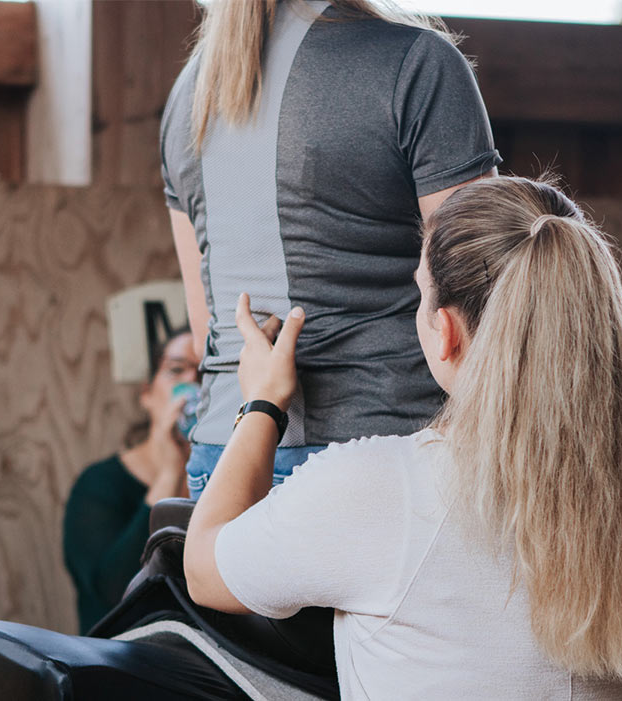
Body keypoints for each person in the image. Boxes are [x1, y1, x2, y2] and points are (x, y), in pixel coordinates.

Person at [185, 176, 622, 699]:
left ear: (444, 331)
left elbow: (202, 568)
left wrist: (262, 403)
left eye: (421, 292)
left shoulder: (381, 492)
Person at [161, 0, 502, 497]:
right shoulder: (416, 63)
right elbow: (485, 312)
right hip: (389, 452)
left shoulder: (189, 94)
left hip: (224, 457)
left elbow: (201, 333)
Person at [63, 329, 199, 633]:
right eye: (176, 370)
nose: (192, 383)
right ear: (147, 394)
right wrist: (169, 473)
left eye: (205, 373)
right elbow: (115, 593)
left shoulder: (222, 479)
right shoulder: (99, 484)